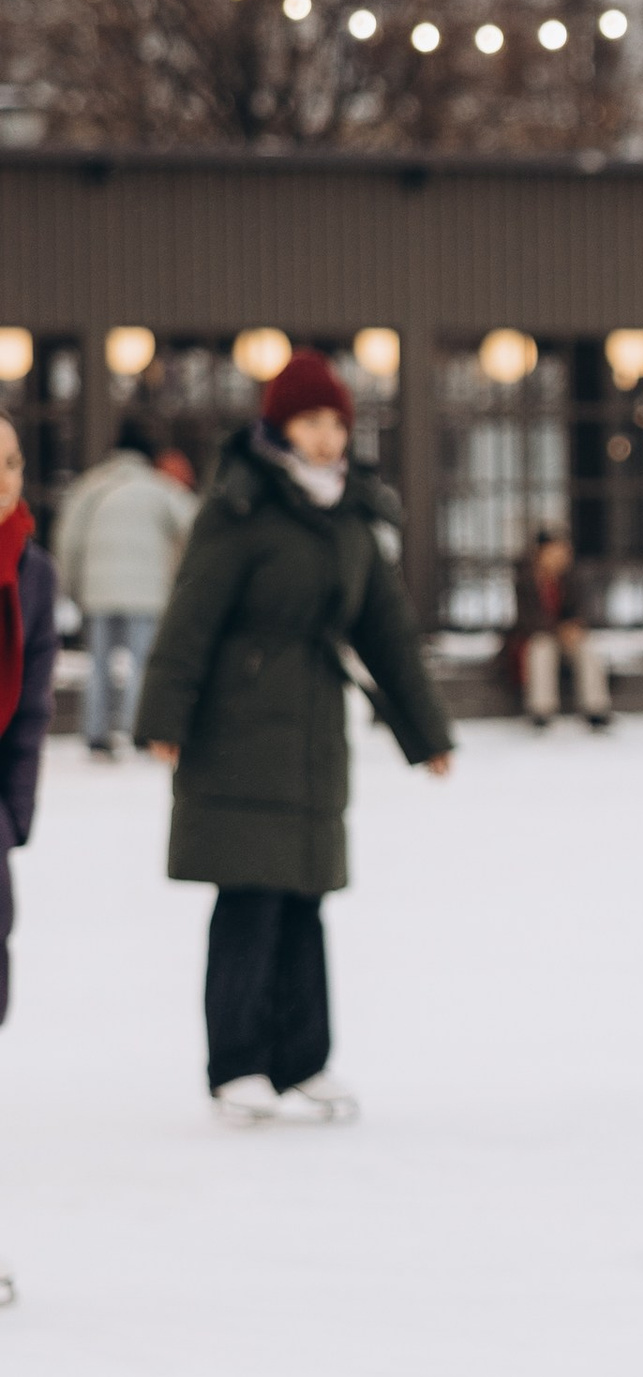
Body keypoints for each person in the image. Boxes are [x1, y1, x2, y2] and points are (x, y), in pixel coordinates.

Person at [135, 349, 454, 1124]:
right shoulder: (241, 505)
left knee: (307, 896)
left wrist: (426, 732)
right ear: (281, 426)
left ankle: (303, 1060)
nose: (327, 438)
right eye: (312, 422)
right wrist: (163, 718)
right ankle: (237, 1063)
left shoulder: (350, 516)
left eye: (337, 423)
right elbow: (191, 615)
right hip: (239, 724)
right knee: (250, 894)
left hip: (312, 729)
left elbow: (387, 631)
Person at [0, 413, 61, 1306]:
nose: (2, 477)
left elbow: (36, 702)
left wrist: (14, 813)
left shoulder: (32, 571)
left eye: (9, 461)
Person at [51, 414, 198, 757]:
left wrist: (74, 587)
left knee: (99, 663)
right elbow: (193, 524)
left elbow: (68, 540)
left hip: (98, 591)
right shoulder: (159, 487)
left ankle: (96, 732)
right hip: (146, 593)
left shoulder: (90, 486)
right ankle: (139, 730)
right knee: (142, 664)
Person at [508, 527, 612, 730]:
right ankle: (541, 709)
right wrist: (559, 630)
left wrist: (574, 628)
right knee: (541, 648)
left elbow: (582, 610)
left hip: (566, 638)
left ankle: (596, 708)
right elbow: (527, 620)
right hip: (537, 637)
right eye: (555, 552)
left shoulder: (571, 577)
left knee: (587, 648)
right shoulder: (526, 579)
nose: (561, 557)